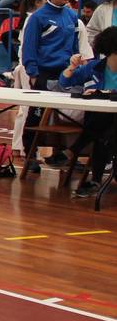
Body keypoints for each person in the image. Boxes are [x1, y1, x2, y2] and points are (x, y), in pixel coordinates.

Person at [60, 26, 117, 198]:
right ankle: (96, 180)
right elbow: (64, 82)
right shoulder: (94, 67)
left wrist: (103, 94)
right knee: (104, 131)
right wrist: (71, 67)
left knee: (105, 128)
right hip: (104, 122)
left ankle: (74, 150)